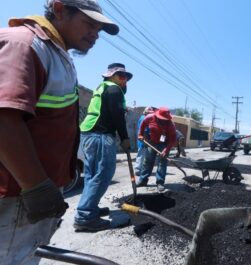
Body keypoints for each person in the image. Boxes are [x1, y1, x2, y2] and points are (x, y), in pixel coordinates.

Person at [0, 0, 118, 263]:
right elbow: (4, 119)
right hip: (15, 196)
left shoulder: (58, 55)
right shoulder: (25, 44)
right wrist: (36, 187)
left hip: (28, 197)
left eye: (99, 29)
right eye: (89, 24)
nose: (95, 35)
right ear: (59, 8)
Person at [74, 63, 132, 232]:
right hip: (100, 135)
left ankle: (90, 207)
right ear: (111, 76)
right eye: (121, 76)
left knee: (92, 174)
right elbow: (117, 116)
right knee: (103, 173)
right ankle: (85, 216)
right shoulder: (114, 89)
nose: (124, 81)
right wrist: (125, 138)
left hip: (89, 133)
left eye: (126, 78)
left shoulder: (103, 87)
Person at [136, 107, 177, 192]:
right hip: (152, 142)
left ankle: (160, 182)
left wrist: (166, 150)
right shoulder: (150, 117)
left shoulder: (171, 125)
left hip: (164, 144)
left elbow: (172, 140)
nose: (163, 120)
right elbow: (143, 124)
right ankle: (143, 180)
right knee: (147, 161)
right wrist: (140, 134)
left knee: (162, 163)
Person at [135, 106, 156, 176]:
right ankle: (138, 170)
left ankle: (140, 169)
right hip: (143, 140)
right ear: (146, 112)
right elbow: (143, 130)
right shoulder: (144, 118)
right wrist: (146, 139)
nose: (150, 114)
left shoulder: (145, 118)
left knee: (142, 155)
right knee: (141, 154)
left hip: (144, 139)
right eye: (149, 113)